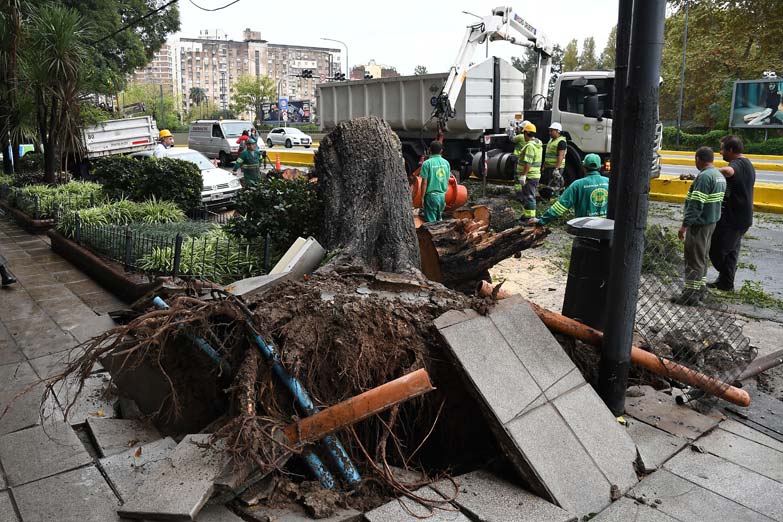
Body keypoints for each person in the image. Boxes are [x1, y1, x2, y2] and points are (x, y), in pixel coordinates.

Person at [671, 146, 726, 306]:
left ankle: (690, 296)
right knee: (702, 258)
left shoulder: (704, 177)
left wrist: (685, 226)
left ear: (698, 159)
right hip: (711, 223)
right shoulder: (718, 175)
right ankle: (700, 291)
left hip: (699, 225)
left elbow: (696, 204)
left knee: (693, 259)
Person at [708, 135, 755, 292]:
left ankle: (726, 277)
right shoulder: (747, 163)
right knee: (732, 252)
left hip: (734, 218)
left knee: (716, 250)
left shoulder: (737, 164)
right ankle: (726, 284)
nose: (721, 152)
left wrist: (710, 171)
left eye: (722, 149)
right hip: (744, 217)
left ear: (731, 150)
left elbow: (729, 171)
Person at [532, 153, 608, 225]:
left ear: (583, 167)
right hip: (605, 228)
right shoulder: (609, 182)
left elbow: (560, 207)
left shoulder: (577, 185)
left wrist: (541, 221)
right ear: (600, 167)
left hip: (585, 228)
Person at [513, 122, 543, 225]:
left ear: (526, 133)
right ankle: (527, 215)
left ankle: (529, 219)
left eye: (523, 134)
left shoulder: (530, 146)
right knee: (528, 196)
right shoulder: (538, 143)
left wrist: (524, 175)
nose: (523, 136)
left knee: (529, 196)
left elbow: (528, 162)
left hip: (530, 175)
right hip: (534, 175)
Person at [419, 141, 450, 222]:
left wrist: (422, 197)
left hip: (431, 197)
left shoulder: (426, 163)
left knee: (431, 224)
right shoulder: (446, 163)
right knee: (439, 221)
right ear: (441, 151)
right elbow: (446, 180)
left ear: (430, 150)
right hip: (442, 197)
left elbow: (424, 182)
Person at [540, 122, 567, 198]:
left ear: (557, 131)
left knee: (555, 185)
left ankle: (555, 199)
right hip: (549, 166)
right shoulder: (551, 141)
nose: (550, 133)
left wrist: (557, 169)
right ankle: (550, 199)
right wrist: (544, 165)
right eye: (549, 131)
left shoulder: (561, 142)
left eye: (552, 131)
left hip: (556, 167)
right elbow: (548, 155)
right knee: (550, 184)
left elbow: (560, 156)